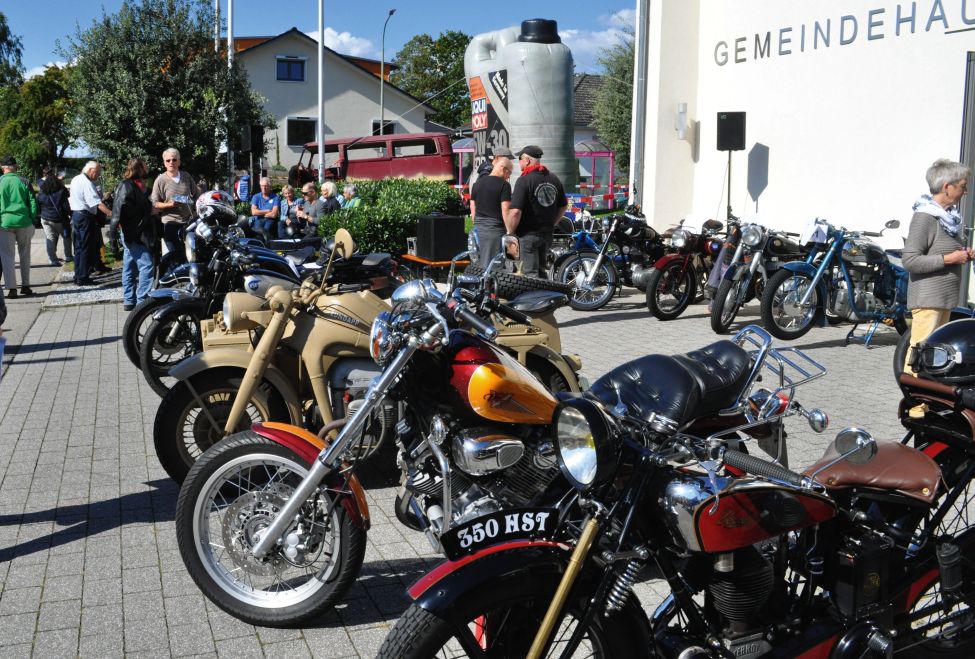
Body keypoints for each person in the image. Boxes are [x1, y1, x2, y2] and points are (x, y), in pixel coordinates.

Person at [903, 158, 973, 385]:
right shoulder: (926, 217)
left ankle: (929, 401)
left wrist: (962, 253)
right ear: (947, 187)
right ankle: (914, 403)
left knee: (934, 355)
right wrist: (950, 258)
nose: (965, 191)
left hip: (942, 299)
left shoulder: (948, 218)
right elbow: (911, 260)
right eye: (962, 186)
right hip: (928, 299)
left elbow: (940, 249)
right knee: (920, 353)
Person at [508, 145, 567, 278]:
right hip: (547, 233)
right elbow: (563, 206)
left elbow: (515, 211)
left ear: (527, 160)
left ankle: (534, 298)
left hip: (528, 234)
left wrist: (510, 232)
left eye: (520, 159)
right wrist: (553, 223)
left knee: (530, 274)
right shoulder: (554, 178)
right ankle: (545, 296)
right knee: (541, 271)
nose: (519, 162)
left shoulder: (524, 180)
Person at [111, 158, 155, 311]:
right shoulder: (126, 185)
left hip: (137, 231)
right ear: (140, 167)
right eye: (145, 164)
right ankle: (142, 302)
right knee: (147, 265)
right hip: (131, 233)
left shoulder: (140, 185)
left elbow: (141, 208)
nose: (148, 166)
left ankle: (129, 300)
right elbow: (117, 214)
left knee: (129, 265)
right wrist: (112, 240)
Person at [69, 161, 113, 286]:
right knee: (85, 248)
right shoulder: (87, 183)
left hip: (77, 216)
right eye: (98, 173)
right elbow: (97, 203)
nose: (98, 176)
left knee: (78, 248)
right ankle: (83, 277)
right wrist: (111, 214)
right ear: (91, 171)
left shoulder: (75, 179)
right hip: (85, 217)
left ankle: (78, 275)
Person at [0, 156, 38, 298]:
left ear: (2, 167)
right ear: (15, 167)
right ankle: (26, 286)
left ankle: (11, 289)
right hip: (24, 222)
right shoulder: (24, 181)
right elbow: (33, 202)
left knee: (7, 257)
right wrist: (32, 218)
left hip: (4, 223)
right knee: (25, 254)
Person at [150, 147, 198, 254]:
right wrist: (170, 204)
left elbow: (197, 195)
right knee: (176, 255)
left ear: (179, 161)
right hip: (170, 224)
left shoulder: (186, 176)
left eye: (174, 160)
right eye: (168, 160)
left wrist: (195, 211)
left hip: (189, 223)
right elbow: (154, 203)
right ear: (164, 163)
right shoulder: (160, 180)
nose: (171, 162)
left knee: (191, 254)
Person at [469, 155, 513, 267]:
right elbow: (505, 210)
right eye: (509, 173)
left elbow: (473, 208)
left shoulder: (476, 184)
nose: (508, 177)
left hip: (478, 229)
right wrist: (510, 231)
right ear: (503, 169)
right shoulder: (504, 185)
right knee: (494, 267)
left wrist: (476, 224)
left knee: (479, 264)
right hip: (494, 230)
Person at [36, 166, 73, 265]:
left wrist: (40, 214)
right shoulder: (61, 190)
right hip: (59, 219)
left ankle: (53, 259)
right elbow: (66, 206)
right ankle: (68, 256)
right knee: (66, 237)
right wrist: (70, 214)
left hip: (45, 218)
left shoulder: (42, 191)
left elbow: (38, 203)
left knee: (50, 238)